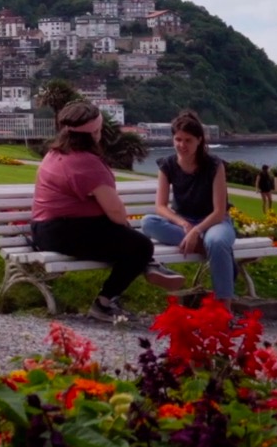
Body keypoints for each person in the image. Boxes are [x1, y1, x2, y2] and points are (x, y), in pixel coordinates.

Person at [29, 101, 183, 323]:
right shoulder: (87, 163)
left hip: (43, 230)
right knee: (140, 246)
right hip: (64, 232)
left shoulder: (54, 155)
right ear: (94, 133)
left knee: (125, 240)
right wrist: (126, 230)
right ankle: (105, 302)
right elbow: (116, 213)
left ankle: (149, 264)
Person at [143, 110, 238, 301]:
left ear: (199, 140)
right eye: (178, 139)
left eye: (188, 140)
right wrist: (184, 225)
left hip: (214, 223)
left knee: (217, 241)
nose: (182, 145)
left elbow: (219, 212)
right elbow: (160, 206)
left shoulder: (214, 165)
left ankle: (224, 306)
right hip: (184, 224)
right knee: (148, 223)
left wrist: (196, 231)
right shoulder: (167, 165)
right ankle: (209, 248)